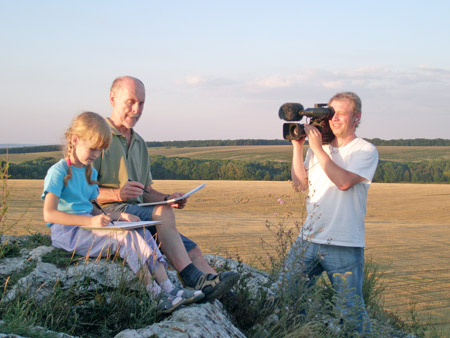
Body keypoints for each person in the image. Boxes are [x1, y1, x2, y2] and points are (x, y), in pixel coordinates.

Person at [93, 76, 240, 301]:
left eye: (141, 103)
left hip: (141, 214)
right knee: (163, 214)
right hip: (112, 213)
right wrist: (117, 194)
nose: (136, 109)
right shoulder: (96, 136)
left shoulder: (139, 142)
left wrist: (168, 198)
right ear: (112, 99)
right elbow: (80, 193)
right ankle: (191, 277)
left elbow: (146, 191)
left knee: (194, 250)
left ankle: (229, 299)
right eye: (130, 102)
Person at [42, 111, 204, 314]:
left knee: (143, 232)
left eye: (100, 151)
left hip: (88, 225)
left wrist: (119, 216)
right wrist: (90, 222)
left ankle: (170, 289)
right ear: (75, 140)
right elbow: (49, 214)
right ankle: (155, 294)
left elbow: (91, 206)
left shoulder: (89, 171)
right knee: (124, 238)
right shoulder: (58, 172)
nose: (95, 155)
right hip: (68, 232)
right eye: (93, 148)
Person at [282, 92, 379, 333]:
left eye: (341, 114)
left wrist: (318, 149)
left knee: (351, 312)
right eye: (331, 114)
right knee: (287, 295)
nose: (334, 119)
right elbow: (299, 184)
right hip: (308, 239)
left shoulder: (364, 150)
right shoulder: (317, 148)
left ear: (357, 118)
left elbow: (344, 182)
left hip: (343, 243)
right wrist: (298, 147)